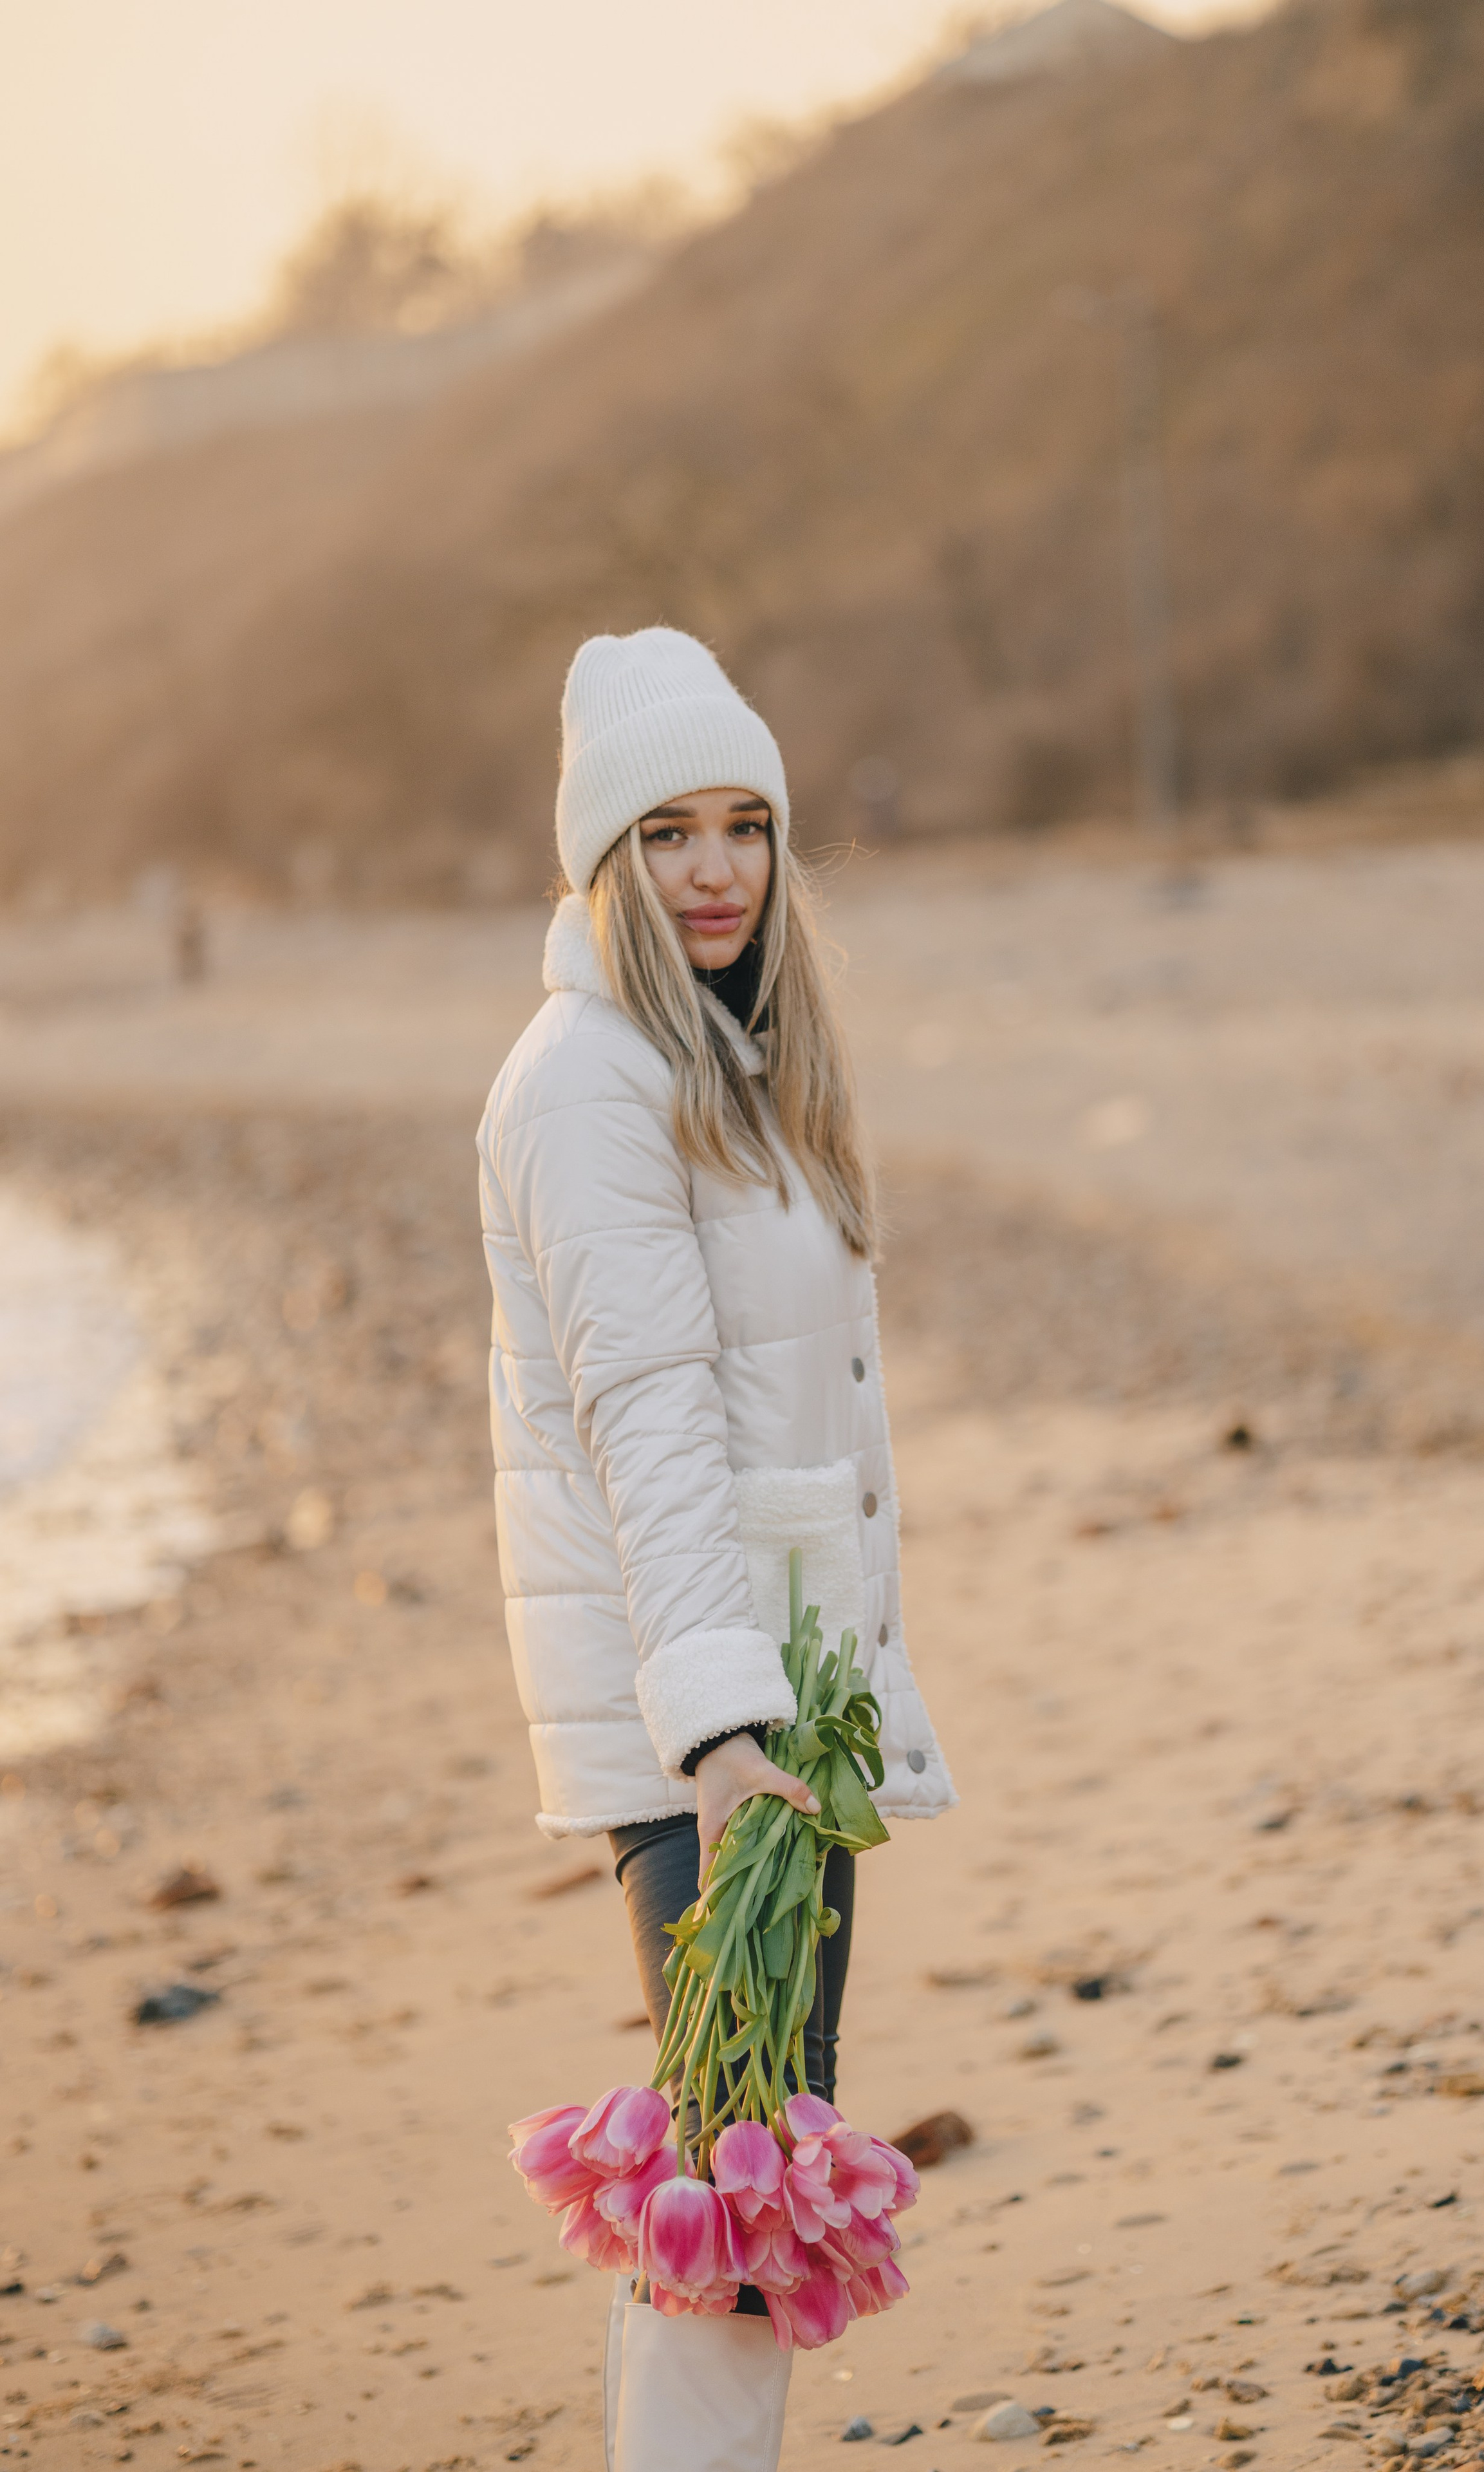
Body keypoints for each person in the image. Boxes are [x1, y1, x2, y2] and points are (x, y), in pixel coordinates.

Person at [477, 628, 955, 2472]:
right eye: (665, 831)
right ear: (601, 858)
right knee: (739, 2187)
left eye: (743, 824)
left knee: (744, 2167)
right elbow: (651, 1423)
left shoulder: (729, 1058)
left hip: (775, 1693)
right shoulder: (590, 1084)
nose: (714, 869)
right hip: (718, 1715)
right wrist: (716, 1734)